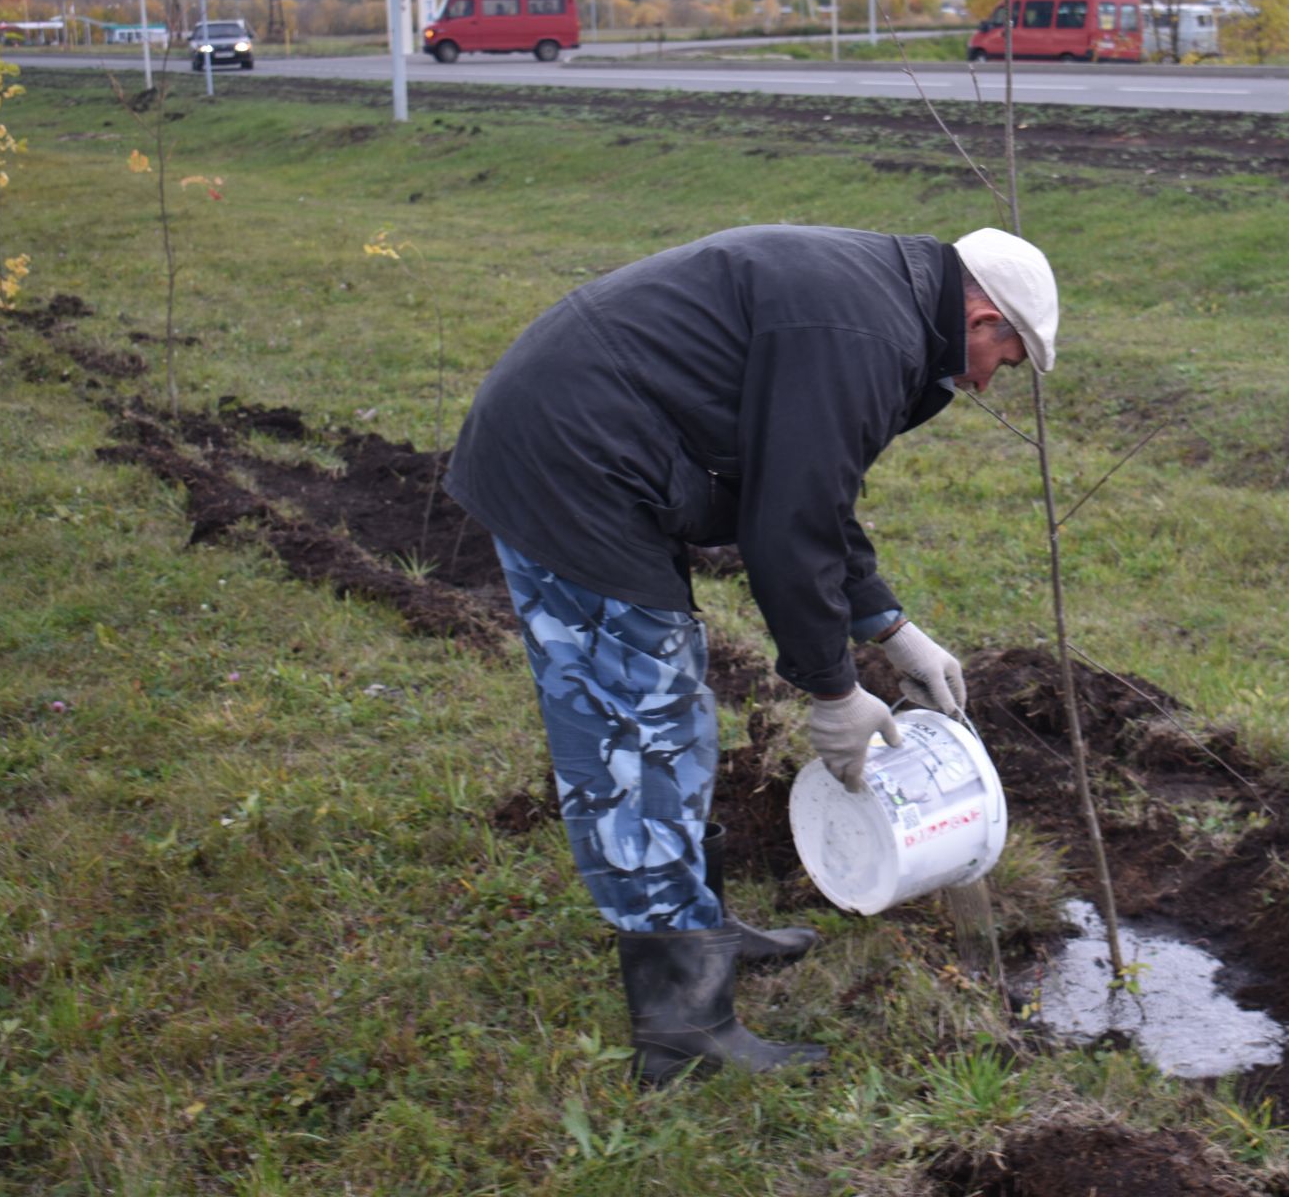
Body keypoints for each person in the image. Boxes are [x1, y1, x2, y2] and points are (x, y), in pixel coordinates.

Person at [443, 224, 1059, 1083]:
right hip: (573, 461)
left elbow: (813, 487)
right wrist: (833, 689)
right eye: (1007, 360)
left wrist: (884, 624)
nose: (991, 382)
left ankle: (696, 922)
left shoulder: (883, 312)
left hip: (616, 445)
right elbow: (787, 523)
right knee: (636, 726)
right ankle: (682, 1028)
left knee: (675, 709)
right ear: (986, 316)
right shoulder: (866, 333)